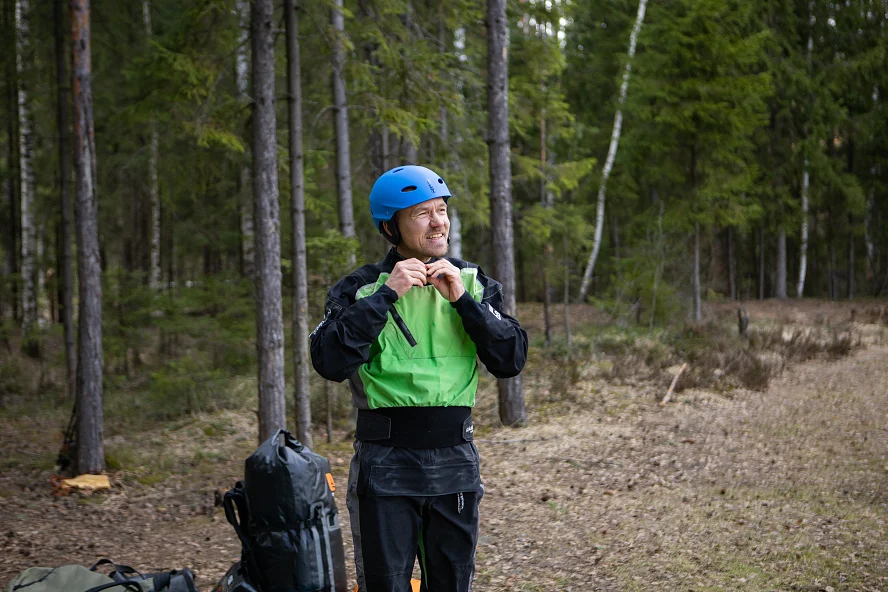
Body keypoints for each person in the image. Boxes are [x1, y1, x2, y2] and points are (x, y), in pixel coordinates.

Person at [310, 164, 528, 592]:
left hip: (455, 461)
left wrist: (464, 302)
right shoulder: (359, 289)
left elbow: (511, 358)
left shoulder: (472, 282)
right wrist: (387, 294)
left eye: (441, 210)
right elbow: (329, 362)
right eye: (421, 213)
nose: (438, 222)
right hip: (385, 462)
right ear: (391, 227)